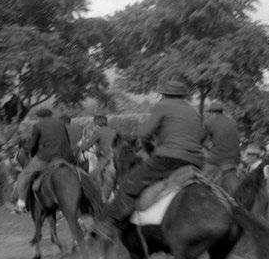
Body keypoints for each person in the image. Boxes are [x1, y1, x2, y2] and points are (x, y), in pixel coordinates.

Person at [115, 80, 206, 221]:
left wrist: (150, 148)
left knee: (129, 183)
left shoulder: (163, 105)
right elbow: (201, 136)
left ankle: (109, 224)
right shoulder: (193, 110)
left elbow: (143, 134)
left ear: (164, 94)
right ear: (183, 96)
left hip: (168, 159)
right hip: (196, 162)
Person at [15, 108, 74, 212]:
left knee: (24, 175)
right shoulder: (61, 123)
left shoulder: (37, 126)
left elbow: (33, 144)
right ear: (51, 115)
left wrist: (33, 155)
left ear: (39, 117)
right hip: (65, 156)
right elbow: (67, 141)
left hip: (47, 157)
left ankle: (21, 203)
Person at [202, 101, 241, 195]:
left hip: (216, 159)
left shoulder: (209, 122)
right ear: (222, 111)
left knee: (202, 183)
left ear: (210, 112)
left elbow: (200, 139)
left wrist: (208, 147)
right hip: (234, 159)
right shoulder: (232, 121)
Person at [78, 115, 117, 202]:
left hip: (105, 158)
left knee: (93, 177)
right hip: (116, 156)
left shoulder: (98, 132)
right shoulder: (114, 131)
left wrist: (82, 146)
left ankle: (101, 198)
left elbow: (88, 145)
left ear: (96, 124)